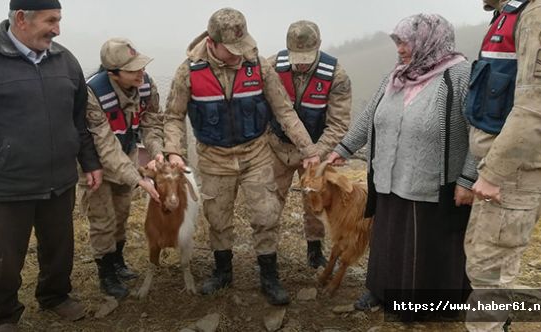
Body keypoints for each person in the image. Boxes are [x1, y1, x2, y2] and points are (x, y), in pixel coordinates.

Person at [0, 0, 103, 330]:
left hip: (59, 181)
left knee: (59, 248)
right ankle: (4, 316)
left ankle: (55, 296)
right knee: (2, 259)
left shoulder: (65, 60)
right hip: (5, 187)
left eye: (59, 20)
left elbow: (78, 120)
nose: (58, 29)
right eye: (51, 21)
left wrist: (90, 163)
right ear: (21, 18)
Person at [162, 7, 319, 305]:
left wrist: (308, 149)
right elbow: (172, 116)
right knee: (218, 218)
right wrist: (174, 151)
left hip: (256, 153)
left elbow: (284, 110)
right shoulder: (189, 71)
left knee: (266, 214)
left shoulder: (258, 66)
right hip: (213, 158)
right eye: (231, 50)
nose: (238, 55)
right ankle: (222, 271)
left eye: (241, 47)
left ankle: (269, 275)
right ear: (212, 42)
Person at [327, 14, 477, 320]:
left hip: (433, 183)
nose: (400, 48)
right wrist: (342, 149)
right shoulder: (397, 76)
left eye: (405, 41)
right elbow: (370, 116)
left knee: (426, 245)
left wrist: (468, 178)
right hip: (388, 177)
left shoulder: (460, 76)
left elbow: (480, 130)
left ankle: (427, 308)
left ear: (430, 40)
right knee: (388, 239)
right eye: (397, 41)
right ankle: (381, 291)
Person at [464, 0, 541, 330]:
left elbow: (538, 107)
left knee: (490, 271)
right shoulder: (511, 12)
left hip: (517, 170)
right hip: (505, 167)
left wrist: (494, 173)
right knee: (486, 262)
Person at [79, 38, 163, 299]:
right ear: (113, 74)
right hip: (96, 165)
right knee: (103, 219)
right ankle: (106, 273)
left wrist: (157, 151)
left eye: (141, 67)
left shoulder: (146, 85)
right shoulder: (91, 93)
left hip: (126, 152)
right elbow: (104, 144)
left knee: (122, 212)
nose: (141, 73)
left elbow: (152, 122)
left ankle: (118, 260)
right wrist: (138, 179)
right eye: (132, 70)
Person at [268, 20, 351, 269]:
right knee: (269, 201)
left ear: (319, 47)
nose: (301, 62)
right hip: (277, 147)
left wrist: (316, 153)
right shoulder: (271, 66)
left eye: (307, 56)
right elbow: (258, 107)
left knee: (315, 202)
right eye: (296, 56)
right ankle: (267, 254)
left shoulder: (337, 75)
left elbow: (338, 123)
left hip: (316, 150)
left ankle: (315, 252)